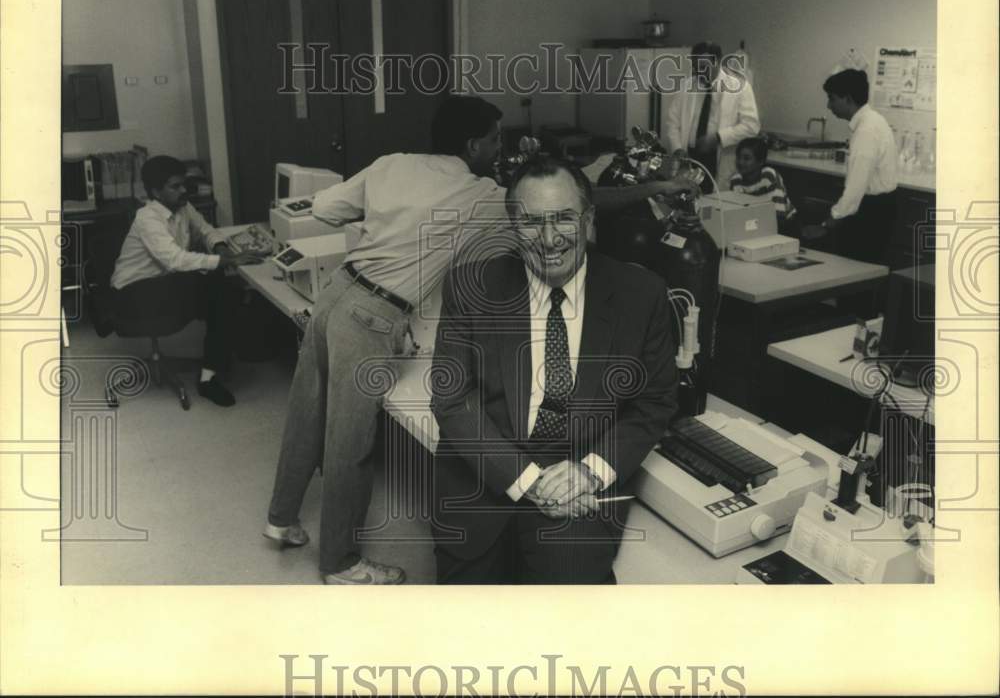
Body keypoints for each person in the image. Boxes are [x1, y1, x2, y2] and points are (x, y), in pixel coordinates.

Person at [263, 95, 698, 586]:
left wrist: (389, 228)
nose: (549, 235)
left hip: (337, 291)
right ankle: (339, 562)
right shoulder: (482, 197)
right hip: (375, 314)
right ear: (473, 146)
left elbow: (323, 207)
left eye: (564, 220)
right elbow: (591, 196)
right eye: (494, 139)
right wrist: (657, 186)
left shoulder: (390, 165)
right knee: (351, 443)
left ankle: (280, 517)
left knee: (307, 415)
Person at [430, 157, 679, 584]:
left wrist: (590, 471)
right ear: (512, 225)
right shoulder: (469, 286)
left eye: (564, 218)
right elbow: (452, 399)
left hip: (578, 475)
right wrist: (528, 481)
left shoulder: (642, 295)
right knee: (467, 623)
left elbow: (654, 403)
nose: (549, 239)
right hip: (486, 469)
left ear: (588, 218)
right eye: (530, 223)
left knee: (570, 618)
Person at [111, 155, 264, 407]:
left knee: (221, 290)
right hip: (133, 294)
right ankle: (210, 376)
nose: (183, 190)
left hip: (162, 284)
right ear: (155, 192)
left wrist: (221, 248)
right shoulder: (147, 218)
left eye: (183, 184)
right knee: (220, 291)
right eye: (175, 186)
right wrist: (226, 262)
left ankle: (217, 360)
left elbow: (206, 229)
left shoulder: (182, 206)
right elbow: (175, 260)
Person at [801, 68, 898, 267]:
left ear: (847, 99)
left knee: (855, 275)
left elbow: (855, 190)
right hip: (879, 208)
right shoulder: (873, 120)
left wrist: (827, 225)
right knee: (865, 275)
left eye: (832, 98)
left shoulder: (866, 131)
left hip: (871, 212)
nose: (828, 105)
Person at [663, 41, 760, 190]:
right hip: (689, 158)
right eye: (695, 68)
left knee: (716, 204)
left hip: (719, 159)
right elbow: (672, 122)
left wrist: (718, 137)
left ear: (717, 61)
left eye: (703, 67)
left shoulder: (740, 87)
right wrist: (677, 149)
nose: (699, 73)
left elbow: (751, 126)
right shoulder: (687, 85)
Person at [729, 136, 798, 235]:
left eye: (746, 158)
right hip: (756, 227)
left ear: (760, 161)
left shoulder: (769, 176)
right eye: (738, 157)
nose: (740, 162)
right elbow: (736, 215)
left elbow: (779, 217)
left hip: (785, 227)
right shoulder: (735, 180)